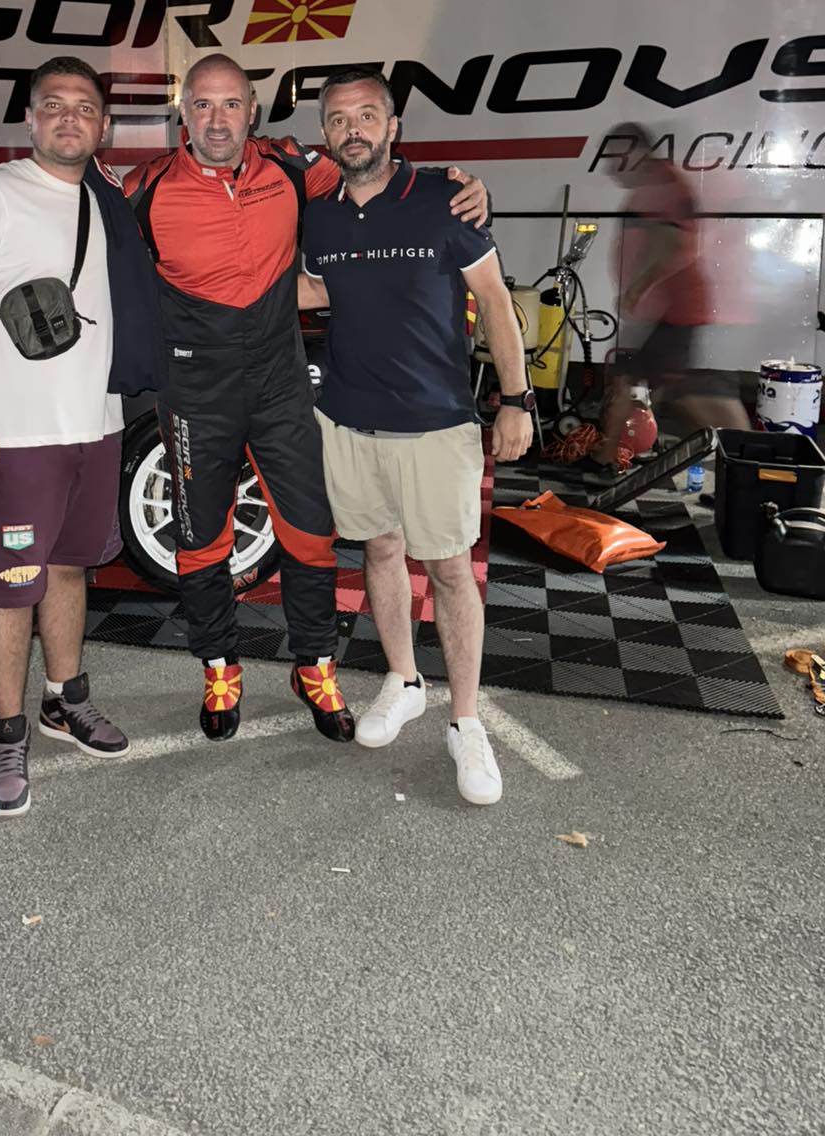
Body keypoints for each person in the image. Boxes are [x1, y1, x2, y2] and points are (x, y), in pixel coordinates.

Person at [124, 54, 489, 745]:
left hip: (279, 383)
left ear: (253, 112)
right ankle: (219, 667)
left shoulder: (293, 167)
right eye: (202, 105)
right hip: (195, 390)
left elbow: (374, 172)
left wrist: (460, 184)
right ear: (182, 114)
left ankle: (315, 666)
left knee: (310, 533)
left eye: (231, 104)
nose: (217, 120)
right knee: (200, 539)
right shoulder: (143, 191)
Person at [0, 56, 159, 817]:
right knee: (7, 588)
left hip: (97, 425)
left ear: (103, 126)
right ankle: (7, 736)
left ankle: (65, 699)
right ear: (29, 119)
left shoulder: (109, 201)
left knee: (68, 569)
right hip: (13, 436)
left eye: (84, 107)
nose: (68, 118)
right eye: (53, 105)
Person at [298, 66, 532, 805]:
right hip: (347, 417)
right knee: (379, 549)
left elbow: (495, 300)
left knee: (451, 569)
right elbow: (319, 287)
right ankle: (403, 680)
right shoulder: (320, 216)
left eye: (367, 115)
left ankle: (466, 720)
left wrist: (517, 400)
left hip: (436, 421)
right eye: (339, 119)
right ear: (325, 133)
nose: (354, 130)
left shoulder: (444, 199)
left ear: (393, 126)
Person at [588, 123, 749, 479]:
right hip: (653, 311)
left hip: (674, 310)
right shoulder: (651, 187)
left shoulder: (664, 185)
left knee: (690, 393)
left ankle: (750, 456)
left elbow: (673, 243)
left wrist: (638, 288)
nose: (610, 168)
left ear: (637, 152)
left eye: (616, 157)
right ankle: (605, 456)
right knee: (627, 379)